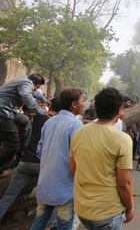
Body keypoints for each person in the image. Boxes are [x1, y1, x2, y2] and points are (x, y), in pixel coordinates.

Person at [70, 88, 134, 229]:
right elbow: (124, 184)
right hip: (107, 213)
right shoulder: (123, 139)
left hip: (82, 209)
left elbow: (73, 169)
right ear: (119, 111)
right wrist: (130, 208)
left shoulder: (78, 133)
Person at [30, 88, 85, 230]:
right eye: (82, 101)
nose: (84, 104)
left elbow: (39, 151)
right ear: (74, 104)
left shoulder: (49, 122)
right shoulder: (76, 124)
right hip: (64, 188)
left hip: (45, 184)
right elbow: (79, 157)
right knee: (65, 225)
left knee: (39, 222)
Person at [0, 98, 60, 221]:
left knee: (8, 196)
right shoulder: (57, 122)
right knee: (49, 199)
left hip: (25, 161)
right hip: (42, 164)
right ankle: (48, 224)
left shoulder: (38, 117)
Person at [0, 73, 47, 173]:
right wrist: (41, 112)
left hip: (9, 110)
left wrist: (44, 100)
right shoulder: (26, 83)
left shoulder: (24, 81)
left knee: (25, 120)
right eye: (37, 87)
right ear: (34, 83)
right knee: (12, 145)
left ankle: (23, 146)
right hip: (2, 110)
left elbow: (34, 93)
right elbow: (26, 95)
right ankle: (2, 168)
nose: (36, 89)